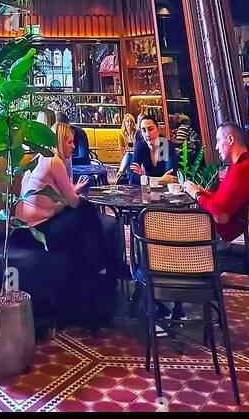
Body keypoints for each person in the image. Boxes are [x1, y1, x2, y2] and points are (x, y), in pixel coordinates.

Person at [15, 122, 119, 328]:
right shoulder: (54, 161)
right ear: (60, 142)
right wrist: (74, 194)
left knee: (83, 228)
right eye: (69, 142)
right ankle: (110, 267)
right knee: (87, 211)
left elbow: (52, 200)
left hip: (23, 229)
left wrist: (71, 191)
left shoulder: (39, 158)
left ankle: (100, 273)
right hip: (37, 231)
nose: (73, 146)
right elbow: (71, 202)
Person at [183, 121, 249, 268]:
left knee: (173, 232)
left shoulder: (241, 170)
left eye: (218, 140)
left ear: (230, 139)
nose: (216, 147)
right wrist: (203, 192)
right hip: (236, 236)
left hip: (220, 239)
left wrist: (196, 194)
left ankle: (194, 285)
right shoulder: (248, 165)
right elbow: (223, 200)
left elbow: (220, 215)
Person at [126, 114, 179, 186]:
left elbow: (171, 178)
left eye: (150, 129)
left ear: (158, 130)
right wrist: (159, 180)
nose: (147, 134)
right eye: (144, 130)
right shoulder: (141, 146)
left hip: (165, 193)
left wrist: (144, 178)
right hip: (147, 192)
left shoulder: (166, 145)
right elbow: (132, 178)